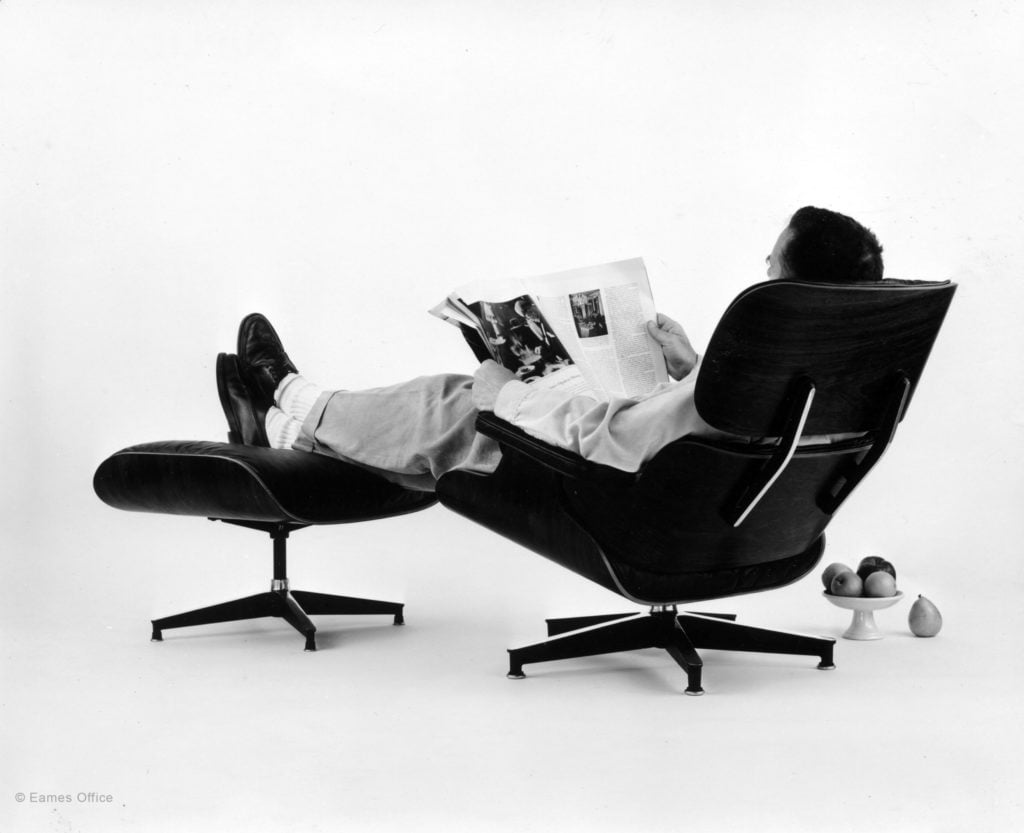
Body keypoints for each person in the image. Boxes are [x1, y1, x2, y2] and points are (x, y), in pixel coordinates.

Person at [220, 206, 883, 492]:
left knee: (457, 405)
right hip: (692, 488)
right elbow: (712, 421)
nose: (762, 259)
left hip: (613, 482)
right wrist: (692, 368)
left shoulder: (762, 372)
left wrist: (503, 394)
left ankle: (285, 395)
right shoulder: (825, 372)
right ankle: (287, 431)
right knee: (471, 411)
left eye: (773, 259)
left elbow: (611, 438)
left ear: (790, 288)